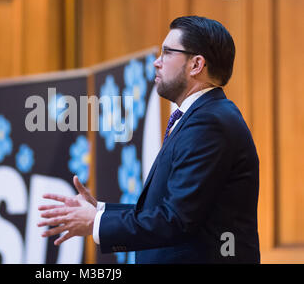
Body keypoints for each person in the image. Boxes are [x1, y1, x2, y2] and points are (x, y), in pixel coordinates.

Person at [38, 16, 260, 263]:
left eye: (167, 52)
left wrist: (95, 223)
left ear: (196, 64)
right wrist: (100, 210)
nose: (156, 62)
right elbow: (171, 211)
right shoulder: (204, 116)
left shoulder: (209, 123)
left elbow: (176, 220)